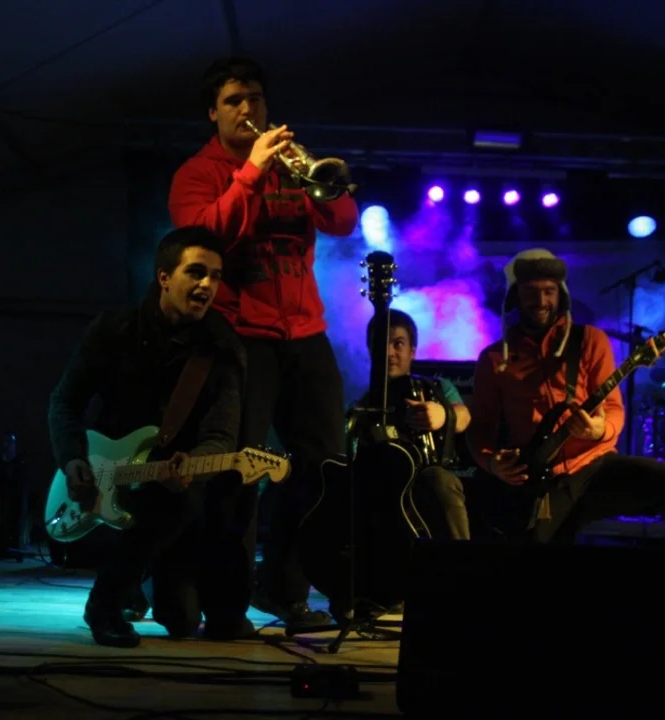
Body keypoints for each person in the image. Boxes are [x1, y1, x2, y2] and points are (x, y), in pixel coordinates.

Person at [465, 248, 665, 630]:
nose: (541, 300)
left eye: (549, 291)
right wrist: (492, 463)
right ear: (515, 296)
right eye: (531, 291)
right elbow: (480, 428)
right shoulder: (494, 358)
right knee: (533, 599)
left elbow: (615, 409)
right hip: (541, 482)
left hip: (596, 467)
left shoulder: (590, 341)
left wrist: (598, 430)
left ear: (561, 294)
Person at [168, 57, 359, 631]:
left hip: (304, 332)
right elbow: (205, 239)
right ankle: (227, 604)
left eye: (254, 97)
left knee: (323, 468)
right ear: (212, 112)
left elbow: (343, 220)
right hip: (238, 335)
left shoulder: (289, 163)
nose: (247, 109)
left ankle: (286, 591)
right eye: (233, 100)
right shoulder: (196, 173)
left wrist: (318, 177)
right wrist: (250, 173)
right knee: (239, 471)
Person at [48, 226, 254, 647]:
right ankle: (105, 604)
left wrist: (193, 466)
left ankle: (146, 578)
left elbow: (222, 435)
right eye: (196, 272)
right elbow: (65, 401)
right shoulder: (114, 329)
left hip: (172, 487)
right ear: (164, 276)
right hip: (105, 475)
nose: (207, 285)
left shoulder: (222, 348)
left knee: (181, 620)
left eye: (215, 276)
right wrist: (73, 460)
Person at [348, 309, 471, 540]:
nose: (389, 352)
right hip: (378, 485)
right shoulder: (362, 403)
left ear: (412, 351)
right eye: (381, 344)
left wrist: (443, 415)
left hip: (426, 478)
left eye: (398, 344)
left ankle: (460, 557)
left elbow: (464, 417)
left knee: (439, 480)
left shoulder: (437, 387)